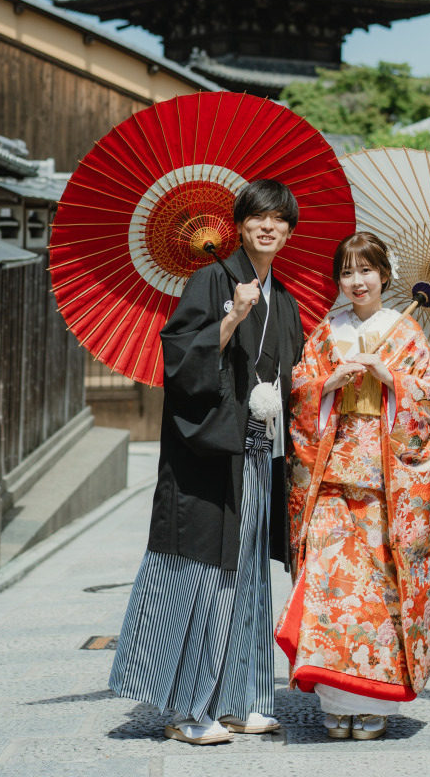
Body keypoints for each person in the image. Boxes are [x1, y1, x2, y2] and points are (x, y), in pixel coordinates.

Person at [109, 179, 305, 745]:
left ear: (289, 233)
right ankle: (188, 708)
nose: (268, 227)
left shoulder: (285, 299)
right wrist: (228, 321)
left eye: (279, 221)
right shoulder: (213, 280)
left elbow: (292, 377)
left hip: (259, 453)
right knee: (202, 576)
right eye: (257, 218)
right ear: (240, 224)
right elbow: (177, 360)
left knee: (248, 578)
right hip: (208, 456)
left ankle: (243, 699)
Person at [276, 231, 430, 742]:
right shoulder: (326, 331)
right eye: (347, 272)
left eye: (366, 270)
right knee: (331, 589)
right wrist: (325, 385)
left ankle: (373, 698)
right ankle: (335, 699)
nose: (356, 281)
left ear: (384, 276)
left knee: (376, 592)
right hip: (331, 476)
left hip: (383, 478)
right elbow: (301, 385)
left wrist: (392, 377)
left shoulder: (404, 332)